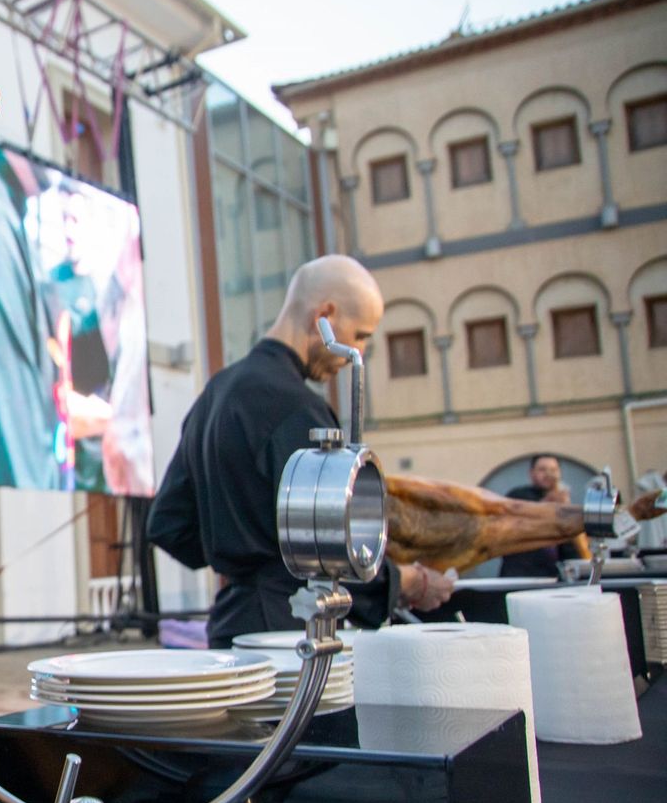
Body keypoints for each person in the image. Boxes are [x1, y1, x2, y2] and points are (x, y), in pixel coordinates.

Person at [147, 255, 455, 648]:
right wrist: (408, 580)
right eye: (359, 336)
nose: (354, 354)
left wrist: (237, 549)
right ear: (324, 315)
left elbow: (168, 525)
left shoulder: (216, 393)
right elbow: (334, 552)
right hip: (291, 635)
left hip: (228, 630)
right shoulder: (299, 410)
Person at [500, 454, 583, 578]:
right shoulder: (518, 496)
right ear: (531, 473)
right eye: (542, 469)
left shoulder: (564, 503)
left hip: (553, 577)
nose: (549, 474)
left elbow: (571, 547)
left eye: (553, 470)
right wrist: (549, 502)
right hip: (520, 575)